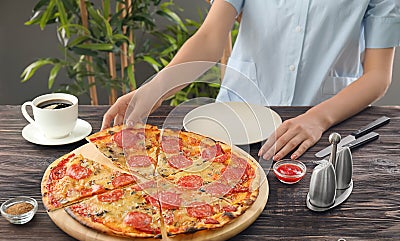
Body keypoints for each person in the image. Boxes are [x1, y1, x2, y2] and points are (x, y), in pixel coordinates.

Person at [102, 0, 400, 161]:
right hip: (233, 121)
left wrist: (317, 119)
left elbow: (377, 76)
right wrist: (156, 88)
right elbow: (209, 37)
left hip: (315, 133)